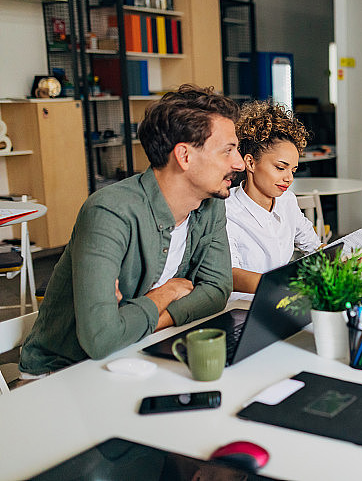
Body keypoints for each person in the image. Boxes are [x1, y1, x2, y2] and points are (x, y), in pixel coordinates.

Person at [19, 84, 244, 376]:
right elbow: (101, 339)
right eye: (228, 151)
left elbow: (216, 291)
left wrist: (138, 320)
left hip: (142, 348)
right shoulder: (110, 212)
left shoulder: (210, 204)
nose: (238, 163)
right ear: (184, 156)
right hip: (64, 373)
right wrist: (167, 293)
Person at [225, 100, 317, 301]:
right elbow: (230, 275)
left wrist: (348, 258)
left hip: (283, 301)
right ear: (250, 162)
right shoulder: (227, 211)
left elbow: (313, 247)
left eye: (293, 170)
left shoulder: (287, 201)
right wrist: (291, 284)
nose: (289, 178)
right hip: (243, 307)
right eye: (280, 167)